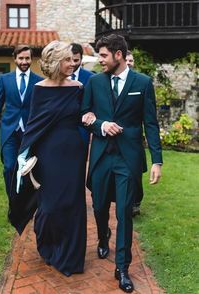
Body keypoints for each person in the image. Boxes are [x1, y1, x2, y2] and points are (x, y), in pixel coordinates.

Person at [82, 33, 162, 293]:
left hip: (128, 158)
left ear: (118, 55)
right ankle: (103, 235)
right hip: (102, 156)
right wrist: (100, 124)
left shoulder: (143, 82)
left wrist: (157, 161)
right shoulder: (94, 83)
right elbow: (82, 115)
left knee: (125, 212)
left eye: (103, 55)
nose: (99, 60)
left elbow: (150, 123)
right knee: (100, 205)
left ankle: (123, 268)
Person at [8, 41, 87, 277]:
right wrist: (26, 154)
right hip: (48, 154)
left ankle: (71, 257)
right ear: (54, 63)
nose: (72, 63)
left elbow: (83, 114)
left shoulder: (79, 87)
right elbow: (34, 124)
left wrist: (90, 115)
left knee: (72, 204)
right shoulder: (39, 89)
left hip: (73, 152)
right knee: (50, 205)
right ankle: (49, 245)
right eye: (67, 60)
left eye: (73, 60)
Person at [0, 45, 42, 199]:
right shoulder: (5, 79)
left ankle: (27, 201)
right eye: (21, 58)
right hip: (10, 130)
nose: (24, 61)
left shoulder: (39, 82)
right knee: (10, 167)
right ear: (15, 59)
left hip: (30, 132)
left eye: (27, 58)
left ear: (31, 59)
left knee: (29, 167)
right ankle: (13, 201)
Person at [126, 50, 147, 217]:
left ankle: (136, 202)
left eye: (132, 60)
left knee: (136, 173)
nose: (129, 63)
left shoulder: (141, 82)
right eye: (127, 60)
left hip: (135, 137)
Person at [71, 42, 94, 148]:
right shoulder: (59, 76)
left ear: (81, 59)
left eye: (76, 60)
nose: (73, 64)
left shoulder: (91, 78)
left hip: (83, 129)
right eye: (70, 59)